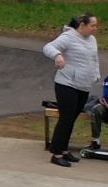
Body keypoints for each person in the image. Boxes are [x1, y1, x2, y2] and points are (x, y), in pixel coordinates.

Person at [41, 13, 100, 167]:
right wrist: (58, 55)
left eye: (95, 25)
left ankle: (64, 149)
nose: (95, 29)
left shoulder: (92, 40)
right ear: (82, 25)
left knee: (72, 119)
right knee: (66, 118)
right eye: (92, 25)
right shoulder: (68, 36)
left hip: (83, 85)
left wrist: (96, 73)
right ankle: (56, 153)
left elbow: (94, 58)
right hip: (67, 84)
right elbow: (49, 47)